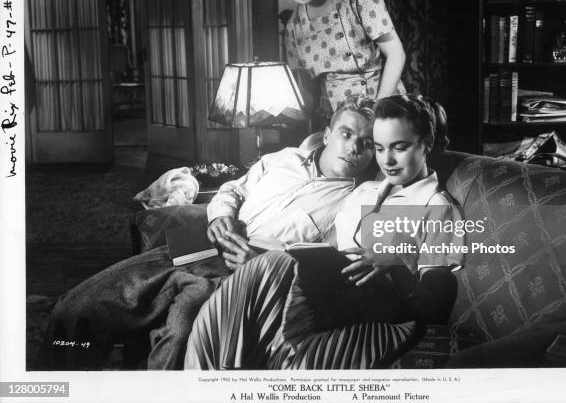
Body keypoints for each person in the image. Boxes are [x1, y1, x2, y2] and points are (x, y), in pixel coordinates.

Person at [36, 97, 376, 370]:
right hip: (200, 246)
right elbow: (232, 189)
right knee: (79, 307)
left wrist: (265, 262)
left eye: (367, 143)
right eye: (346, 134)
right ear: (328, 133)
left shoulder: (358, 202)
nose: (354, 148)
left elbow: (332, 267)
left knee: (180, 335)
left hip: (242, 278)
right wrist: (219, 216)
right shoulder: (284, 159)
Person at [184, 95, 464, 370]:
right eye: (379, 148)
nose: (387, 160)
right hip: (322, 295)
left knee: (269, 267)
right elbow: (325, 249)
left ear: (426, 145)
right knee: (254, 281)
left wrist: (393, 265)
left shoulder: (436, 206)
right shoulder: (365, 191)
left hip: (374, 311)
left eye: (399, 147)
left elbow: (434, 305)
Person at [270, 0, 407, 122]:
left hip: (382, 106)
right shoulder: (294, 28)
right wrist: (278, 111)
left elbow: (396, 54)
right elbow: (308, 94)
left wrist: (378, 111)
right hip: (337, 119)